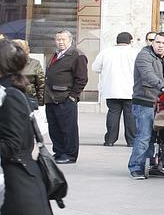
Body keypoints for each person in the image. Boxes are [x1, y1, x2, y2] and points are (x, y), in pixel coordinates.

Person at [0, 39, 67, 215]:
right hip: (17, 178)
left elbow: (13, 143)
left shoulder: (10, 96)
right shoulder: (9, 92)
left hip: (18, 180)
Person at [128, 32, 164, 179]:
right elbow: (148, 75)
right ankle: (136, 167)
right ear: (152, 43)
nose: (160, 46)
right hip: (144, 102)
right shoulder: (144, 56)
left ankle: (150, 165)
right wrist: (163, 87)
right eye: (158, 42)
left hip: (161, 104)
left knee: (156, 137)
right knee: (144, 136)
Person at [45, 30, 88, 164]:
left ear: (70, 40)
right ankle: (59, 152)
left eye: (63, 39)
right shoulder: (56, 55)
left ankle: (69, 154)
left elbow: (81, 78)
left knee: (68, 128)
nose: (60, 42)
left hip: (65, 98)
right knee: (54, 128)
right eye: (58, 39)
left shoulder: (77, 55)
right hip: (51, 98)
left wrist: (72, 96)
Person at [91, 32, 138, 147]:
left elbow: (95, 68)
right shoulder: (135, 53)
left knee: (113, 114)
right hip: (130, 90)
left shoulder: (106, 52)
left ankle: (110, 140)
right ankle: (131, 140)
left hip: (111, 89)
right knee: (130, 115)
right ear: (130, 41)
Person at [13, 39, 45, 106]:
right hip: (11, 98)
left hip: (30, 98)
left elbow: (41, 84)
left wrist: (40, 102)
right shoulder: (8, 63)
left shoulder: (35, 63)